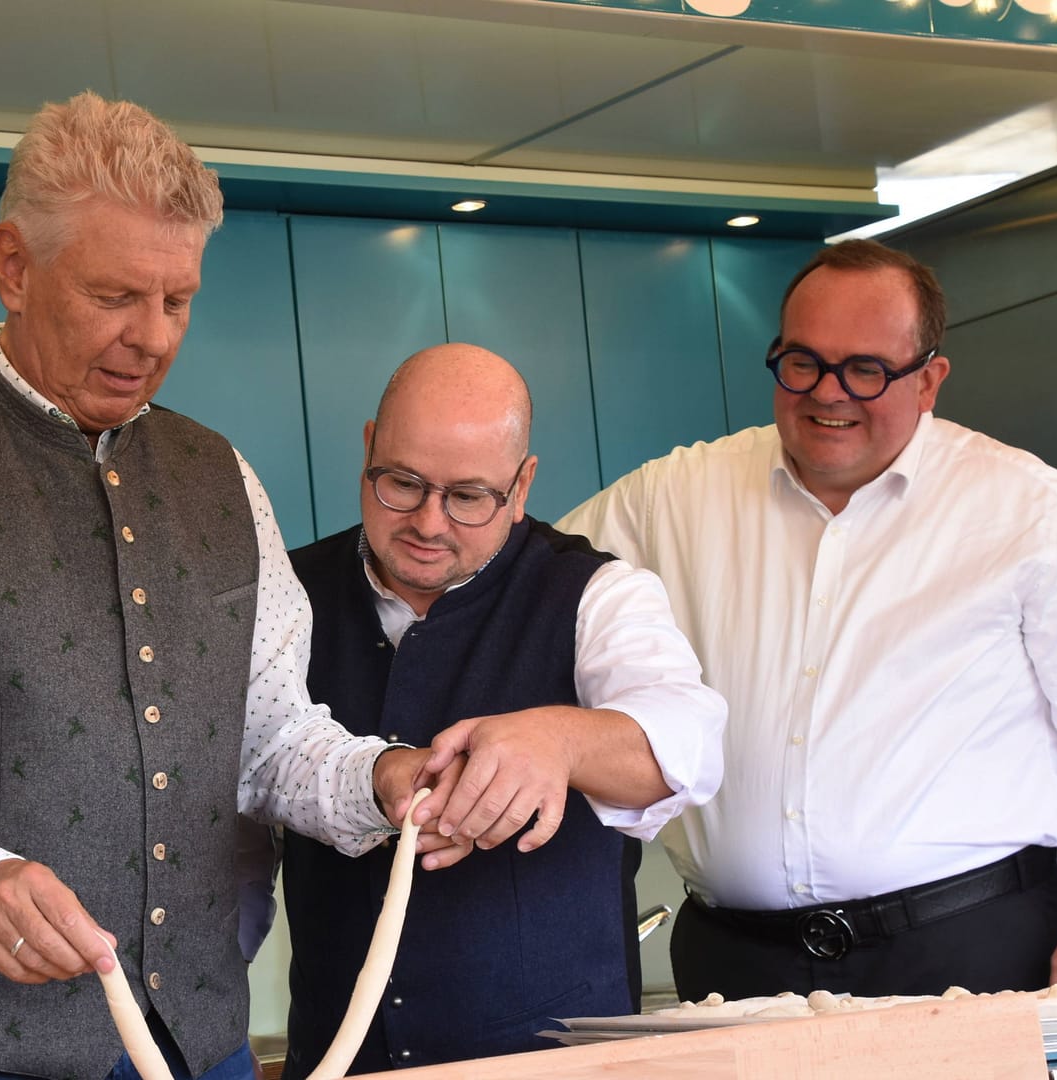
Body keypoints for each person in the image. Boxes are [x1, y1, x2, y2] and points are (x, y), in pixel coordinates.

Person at [0, 92, 446, 1080]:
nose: (153, 338)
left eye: (178, 301)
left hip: (197, 1043)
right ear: (14, 267)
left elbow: (269, 742)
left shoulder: (224, 477)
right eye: (116, 296)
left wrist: (381, 781)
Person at [558, 239, 1057, 1001]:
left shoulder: (1027, 507)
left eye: (867, 369)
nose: (828, 393)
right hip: (736, 967)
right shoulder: (670, 497)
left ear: (930, 379)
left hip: (968, 957)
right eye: (803, 362)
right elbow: (521, 585)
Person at [280, 344, 726, 1076]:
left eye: (469, 496)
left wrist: (562, 741)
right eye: (402, 482)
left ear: (522, 485)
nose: (429, 522)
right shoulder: (287, 594)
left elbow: (689, 741)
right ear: (367, 447)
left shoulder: (595, 593)